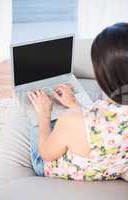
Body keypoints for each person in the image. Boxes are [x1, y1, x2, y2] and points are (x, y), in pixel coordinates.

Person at [28, 23, 128, 181]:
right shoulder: (84, 117)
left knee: (35, 118)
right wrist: (75, 105)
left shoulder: (70, 121)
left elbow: (46, 154)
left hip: (60, 171)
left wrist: (44, 114)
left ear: (102, 75)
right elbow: (103, 126)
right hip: (109, 169)